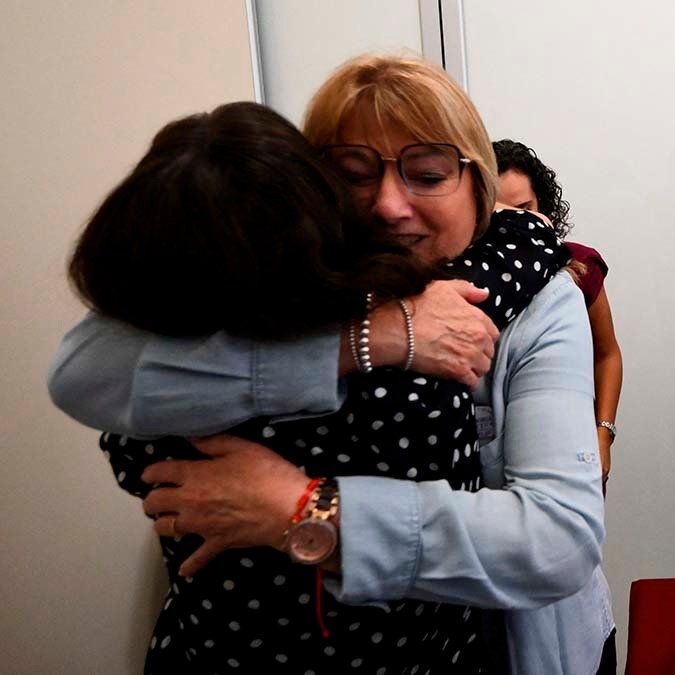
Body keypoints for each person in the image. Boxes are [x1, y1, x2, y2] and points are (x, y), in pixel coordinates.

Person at [49, 56, 612, 675]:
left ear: (477, 182)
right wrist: (369, 340)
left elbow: (557, 541)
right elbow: (84, 372)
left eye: (427, 174)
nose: (390, 206)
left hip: (452, 648)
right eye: (352, 174)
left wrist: (301, 509)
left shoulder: (524, 290)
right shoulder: (261, 278)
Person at [493, 138, 623, 492]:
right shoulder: (465, 276)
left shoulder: (578, 264)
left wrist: (603, 434)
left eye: (524, 208)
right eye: (499, 212)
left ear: (543, 204)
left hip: (571, 442)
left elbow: (607, 354)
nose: (514, 223)